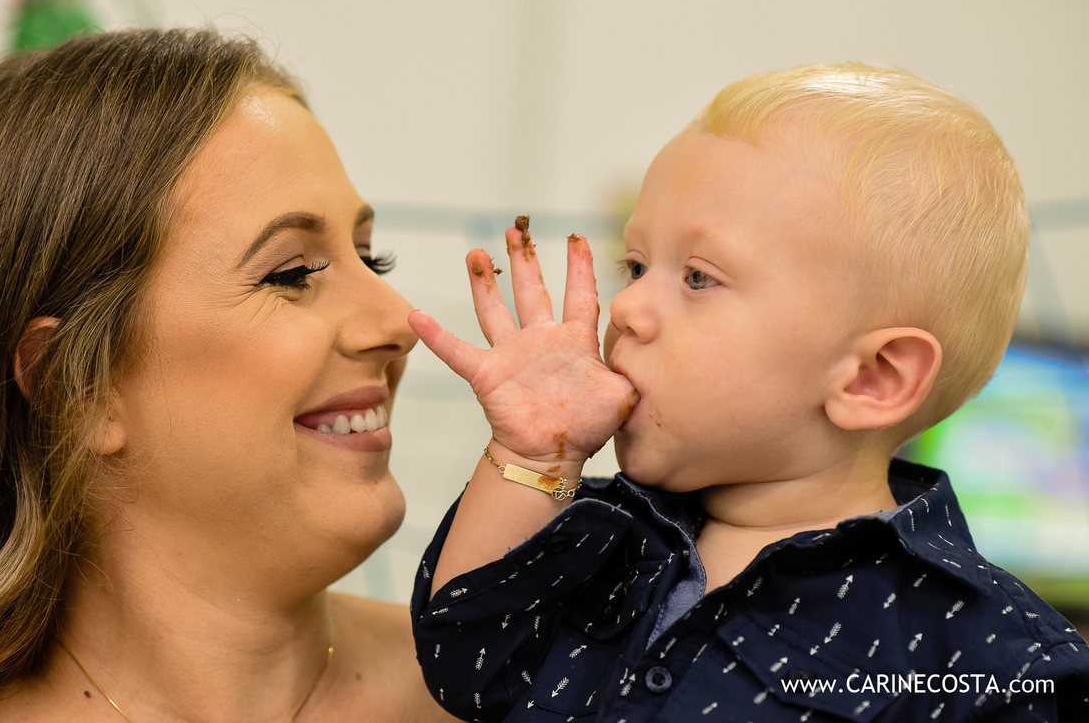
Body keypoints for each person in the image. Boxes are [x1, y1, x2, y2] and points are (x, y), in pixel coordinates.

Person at [407, 64, 1089, 721]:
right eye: (636, 265)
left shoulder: (990, 656)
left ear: (872, 377)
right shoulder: (601, 539)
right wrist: (532, 452)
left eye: (698, 278)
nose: (628, 308)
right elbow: (463, 664)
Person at [0, 28, 456, 723]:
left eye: (373, 259)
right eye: (292, 273)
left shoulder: (518, 694)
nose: (400, 322)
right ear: (77, 386)